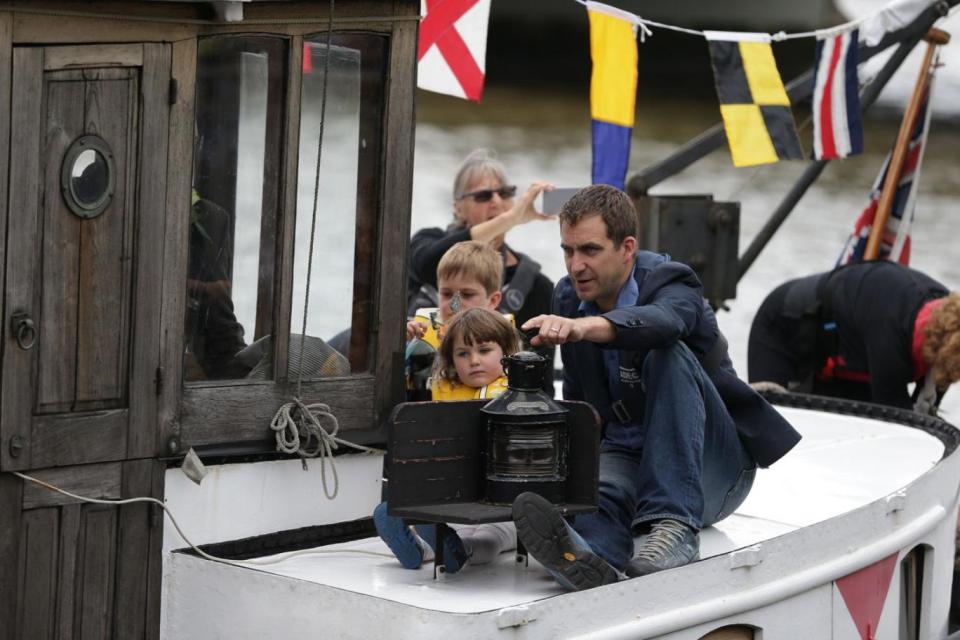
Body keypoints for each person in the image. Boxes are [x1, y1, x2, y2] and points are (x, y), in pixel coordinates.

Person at [510, 184, 801, 591]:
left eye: (590, 251)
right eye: (567, 251)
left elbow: (666, 322)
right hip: (629, 457)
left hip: (712, 470)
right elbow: (579, 403)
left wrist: (586, 328)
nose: (575, 266)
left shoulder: (672, 281)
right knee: (597, 497)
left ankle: (676, 526)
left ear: (627, 247)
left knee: (667, 352)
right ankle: (589, 557)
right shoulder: (567, 296)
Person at [375, 307, 522, 571]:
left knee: (490, 539)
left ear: (507, 352)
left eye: (484, 351)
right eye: (463, 354)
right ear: (452, 360)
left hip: (504, 509)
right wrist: (405, 341)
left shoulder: (521, 395)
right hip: (456, 504)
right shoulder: (441, 391)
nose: (474, 360)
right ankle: (424, 548)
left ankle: (448, 551)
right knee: (451, 530)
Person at [407, 148, 556, 393]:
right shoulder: (427, 243)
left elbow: (542, 382)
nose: (497, 202)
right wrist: (512, 218)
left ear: (494, 298)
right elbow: (429, 264)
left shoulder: (537, 286)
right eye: (484, 196)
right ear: (458, 207)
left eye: (505, 193)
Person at [748, 261, 960, 413]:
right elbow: (900, 424)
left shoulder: (948, 317)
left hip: (850, 351)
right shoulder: (890, 337)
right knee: (769, 432)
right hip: (783, 327)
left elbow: (924, 413)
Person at [404, 241, 509, 397]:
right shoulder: (419, 335)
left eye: (467, 295)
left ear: (493, 300)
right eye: (447, 294)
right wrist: (402, 344)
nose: (455, 305)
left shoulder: (505, 338)